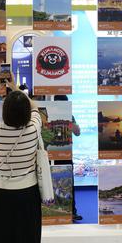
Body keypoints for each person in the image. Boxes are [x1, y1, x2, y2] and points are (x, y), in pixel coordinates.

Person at [0, 73, 42, 243]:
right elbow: (35, 108)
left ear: (4, 111)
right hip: (28, 193)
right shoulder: (33, 128)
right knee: (27, 240)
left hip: (0, 194)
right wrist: (15, 87)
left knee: (0, 239)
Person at [52, 94, 82, 222]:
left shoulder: (70, 116)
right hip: (50, 153)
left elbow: (77, 132)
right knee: (51, 183)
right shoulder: (49, 114)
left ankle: (71, 211)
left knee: (69, 183)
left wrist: (69, 121)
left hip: (65, 153)